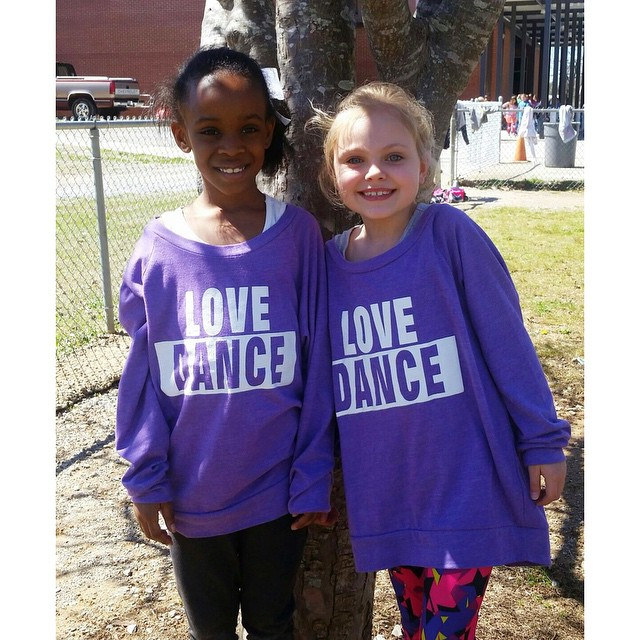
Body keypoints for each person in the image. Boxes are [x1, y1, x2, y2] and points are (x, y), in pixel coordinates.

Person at [309, 82, 570, 640]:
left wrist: (543, 441)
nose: (374, 172)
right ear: (333, 174)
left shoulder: (450, 236)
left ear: (425, 165)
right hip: (391, 494)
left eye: (394, 157)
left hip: (465, 488)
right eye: (355, 160)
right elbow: (320, 388)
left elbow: (508, 344)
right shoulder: (329, 266)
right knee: (415, 626)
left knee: (445, 631)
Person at [115, 46, 336, 640]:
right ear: (181, 132)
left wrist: (312, 473)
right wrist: (147, 479)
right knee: (209, 630)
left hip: (277, 495)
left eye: (247, 129)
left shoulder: (299, 238)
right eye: (210, 130)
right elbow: (142, 377)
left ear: (267, 132)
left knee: (272, 624)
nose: (231, 146)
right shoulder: (159, 250)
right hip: (193, 495)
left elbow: (318, 371)